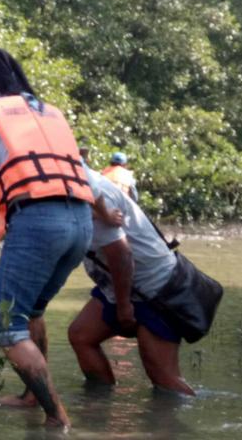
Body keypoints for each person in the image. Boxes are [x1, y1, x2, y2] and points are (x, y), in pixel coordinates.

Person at [0, 48, 94, 428]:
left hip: (39, 221)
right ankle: (31, 397)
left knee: (5, 327)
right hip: (81, 221)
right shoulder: (49, 112)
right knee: (32, 311)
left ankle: (57, 419)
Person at [68, 169, 194, 395]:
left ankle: (186, 413)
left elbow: (122, 255)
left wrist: (124, 306)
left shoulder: (93, 193)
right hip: (120, 283)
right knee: (81, 335)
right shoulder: (73, 187)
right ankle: (99, 402)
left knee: (163, 377)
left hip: (155, 288)